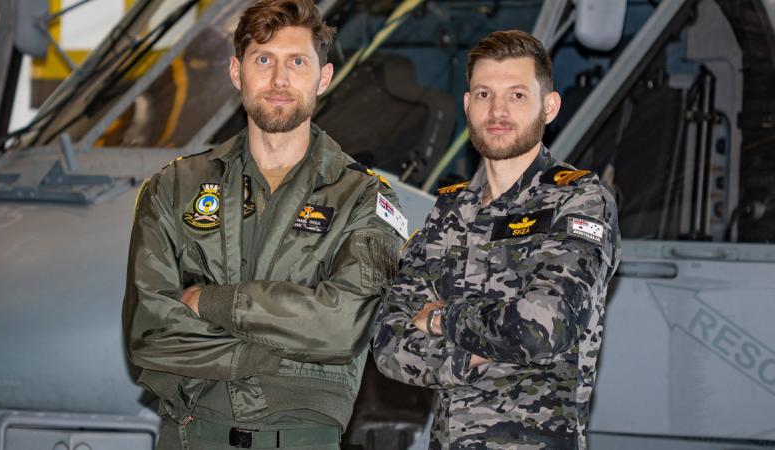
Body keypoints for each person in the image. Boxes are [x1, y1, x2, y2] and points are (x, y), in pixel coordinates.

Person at [122, 1, 405, 448]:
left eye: (297, 62)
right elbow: (150, 330)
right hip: (191, 433)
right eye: (263, 60)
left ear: (324, 77)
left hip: (301, 438)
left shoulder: (363, 197)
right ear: (237, 72)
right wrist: (280, 356)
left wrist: (211, 302)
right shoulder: (173, 186)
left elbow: (340, 328)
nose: (279, 79)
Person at [373, 30, 621, 449]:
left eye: (517, 95)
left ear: (549, 107)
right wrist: (467, 357)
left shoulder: (579, 200)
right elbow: (387, 342)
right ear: (467, 105)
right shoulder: (450, 210)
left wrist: (440, 319)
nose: (498, 111)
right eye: (484, 94)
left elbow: (542, 329)